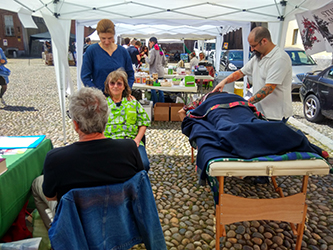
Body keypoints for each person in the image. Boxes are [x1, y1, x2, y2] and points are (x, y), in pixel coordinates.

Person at [31, 87, 144, 230]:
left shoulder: (56, 159)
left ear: (76, 124)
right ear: (106, 118)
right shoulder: (129, 149)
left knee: (37, 183)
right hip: (119, 219)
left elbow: (50, 197)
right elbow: (138, 186)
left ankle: (59, 234)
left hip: (77, 221)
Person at [213, 26, 292, 122]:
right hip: (261, 111)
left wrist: (245, 103)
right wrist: (224, 82)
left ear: (264, 41)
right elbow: (241, 72)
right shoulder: (258, 57)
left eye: (254, 46)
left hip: (275, 115)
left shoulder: (279, 58)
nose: (251, 49)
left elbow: (269, 88)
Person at [104, 69, 150, 171]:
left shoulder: (133, 103)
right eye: (112, 83)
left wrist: (137, 140)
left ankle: (137, 184)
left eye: (119, 84)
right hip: (109, 142)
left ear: (124, 86)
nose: (115, 86)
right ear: (107, 85)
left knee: (144, 164)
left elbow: (143, 123)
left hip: (131, 142)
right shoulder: (102, 105)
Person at [81, 19, 134, 92]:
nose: (106, 42)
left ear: (114, 35)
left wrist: (127, 91)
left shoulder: (122, 52)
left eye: (110, 38)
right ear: (98, 35)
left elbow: (130, 74)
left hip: (119, 98)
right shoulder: (91, 51)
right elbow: (85, 77)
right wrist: (97, 94)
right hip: (99, 99)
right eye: (103, 38)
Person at [144, 37, 167, 105]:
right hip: (161, 72)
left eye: (149, 43)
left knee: (153, 89)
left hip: (154, 73)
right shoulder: (161, 50)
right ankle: (162, 105)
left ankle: (155, 104)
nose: (149, 45)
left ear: (152, 42)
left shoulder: (153, 51)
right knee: (161, 89)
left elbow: (150, 62)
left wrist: (146, 57)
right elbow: (164, 62)